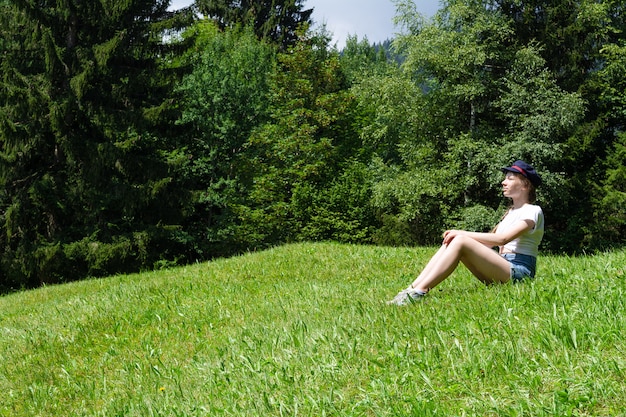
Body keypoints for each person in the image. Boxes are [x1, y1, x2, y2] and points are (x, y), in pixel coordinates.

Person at [387, 160, 544, 306]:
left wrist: (462, 233)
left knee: (461, 240)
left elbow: (502, 239)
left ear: (525, 185)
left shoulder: (532, 211)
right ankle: (411, 289)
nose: (503, 182)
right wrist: (456, 236)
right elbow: (490, 243)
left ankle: (419, 292)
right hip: (502, 268)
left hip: (519, 273)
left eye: (510, 178)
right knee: (454, 240)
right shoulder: (510, 213)